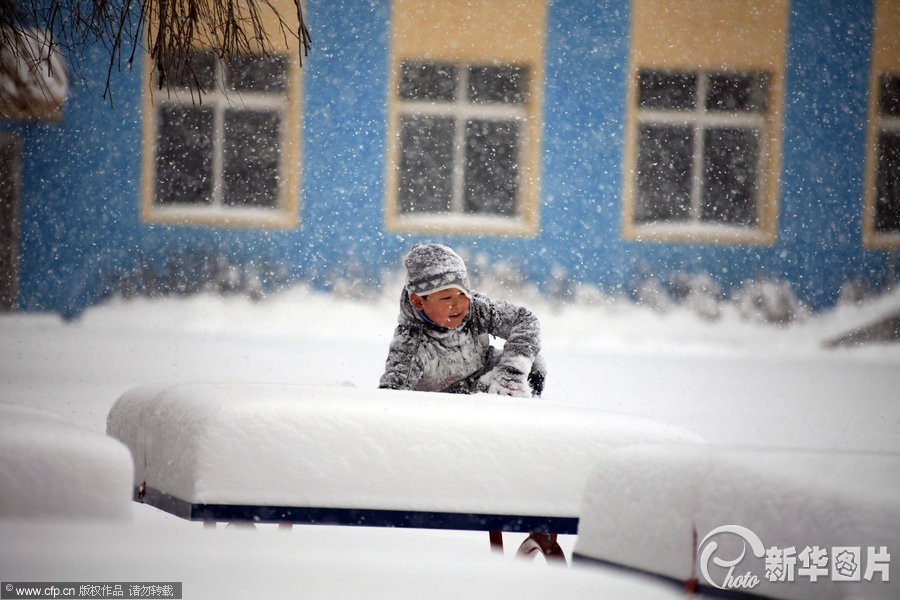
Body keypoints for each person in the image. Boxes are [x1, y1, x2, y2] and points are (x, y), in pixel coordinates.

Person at [379, 243, 546, 397]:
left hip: (487, 378)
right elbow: (392, 397)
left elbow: (525, 321)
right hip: (450, 404)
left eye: (463, 294)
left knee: (532, 363)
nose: (458, 304)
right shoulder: (410, 344)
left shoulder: (476, 310)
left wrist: (511, 374)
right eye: (446, 298)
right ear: (418, 301)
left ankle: (521, 412)